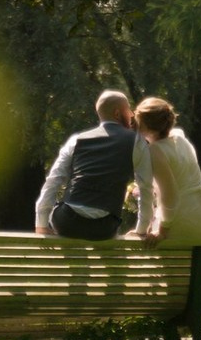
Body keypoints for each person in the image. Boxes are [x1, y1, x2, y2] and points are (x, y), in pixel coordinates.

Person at [35, 89, 155, 240]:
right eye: (128, 110)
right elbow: (145, 188)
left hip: (67, 222)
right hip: (104, 227)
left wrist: (41, 223)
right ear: (117, 113)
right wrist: (141, 229)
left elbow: (54, 180)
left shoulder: (76, 140)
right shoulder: (137, 141)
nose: (132, 115)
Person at [133, 96, 201, 245]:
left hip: (184, 219)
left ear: (145, 126)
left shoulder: (156, 151)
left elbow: (170, 195)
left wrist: (162, 230)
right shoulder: (180, 139)